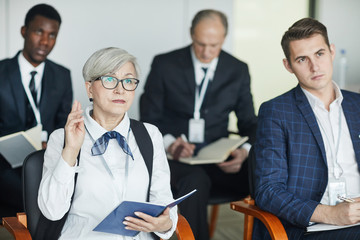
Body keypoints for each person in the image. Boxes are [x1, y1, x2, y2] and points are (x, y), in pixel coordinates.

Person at [140, 9, 257, 240]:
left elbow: (249, 122)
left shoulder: (237, 70)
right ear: (191, 34)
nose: (206, 52)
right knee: (195, 181)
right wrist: (170, 144)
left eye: (213, 45)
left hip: (217, 159)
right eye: (200, 43)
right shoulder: (165, 64)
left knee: (262, 171)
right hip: (174, 160)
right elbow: (148, 117)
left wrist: (244, 152)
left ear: (224, 38)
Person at [38, 47, 177, 239]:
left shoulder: (150, 135)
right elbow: (52, 211)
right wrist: (71, 150)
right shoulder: (61, 138)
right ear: (89, 89)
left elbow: (163, 200)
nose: (121, 89)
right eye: (110, 79)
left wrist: (165, 223)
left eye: (128, 81)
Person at [254, 17, 360, 239]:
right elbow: (268, 191)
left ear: (331, 52)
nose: (315, 66)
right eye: (302, 59)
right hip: (312, 228)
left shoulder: (357, 105)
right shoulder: (276, 112)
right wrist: (331, 214)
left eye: (319, 54)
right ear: (288, 65)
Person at [0, 4, 72, 218]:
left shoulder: (61, 75)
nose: (45, 41)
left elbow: (63, 125)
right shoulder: (1, 72)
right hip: (5, 165)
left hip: (46, 161)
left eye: (52, 35)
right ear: (24, 31)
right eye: (38, 32)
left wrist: (52, 143)